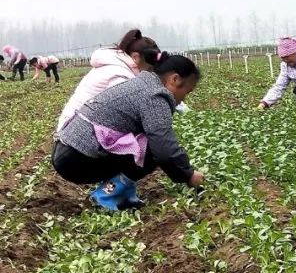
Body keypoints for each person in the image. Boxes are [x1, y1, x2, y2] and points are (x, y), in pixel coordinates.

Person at [53, 54, 205, 210]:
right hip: (76, 159)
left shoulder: (143, 84)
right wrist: (188, 175)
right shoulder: (155, 96)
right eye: (187, 91)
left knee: (144, 142)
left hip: (70, 151)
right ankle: (106, 195)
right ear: (175, 79)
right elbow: (164, 148)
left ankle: (123, 193)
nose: (184, 99)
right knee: (153, 149)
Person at [58, 29, 170, 131]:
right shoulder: (119, 75)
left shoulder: (116, 66)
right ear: (136, 57)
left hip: (75, 126)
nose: (149, 73)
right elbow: (126, 113)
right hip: (75, 133)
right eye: (149, 68)